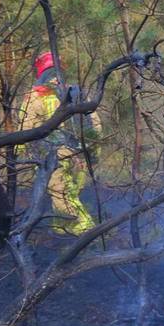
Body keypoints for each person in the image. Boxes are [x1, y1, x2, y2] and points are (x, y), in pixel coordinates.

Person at [18, 51, 102, 235]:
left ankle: (87, 235)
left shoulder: (35, 97)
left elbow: (25, 129)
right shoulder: (74, 92)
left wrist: (20, 152)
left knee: (62, 195)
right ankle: (61, 230)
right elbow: (94, 125)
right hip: (80, 155)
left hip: (52, 156)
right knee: (69, 195)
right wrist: (93, 153)